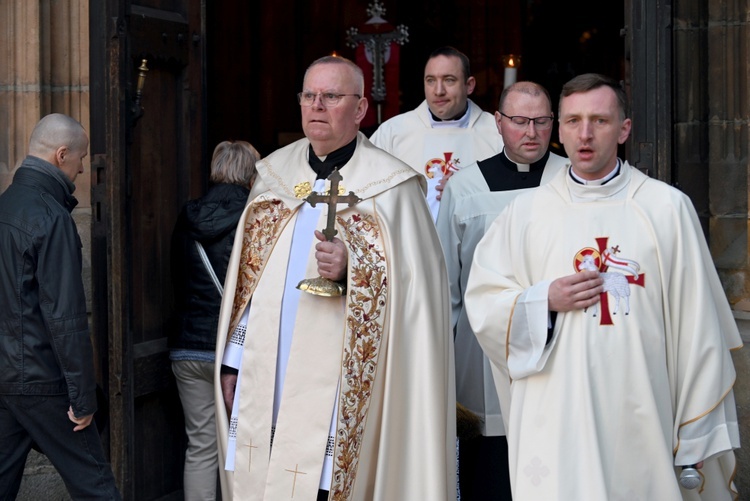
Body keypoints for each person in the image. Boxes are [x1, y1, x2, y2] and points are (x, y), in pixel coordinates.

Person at [465, 73, 742, 500]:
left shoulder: (666, 209)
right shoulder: (526, 214)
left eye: (600, 120)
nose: (585, 134)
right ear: (560, 129)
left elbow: (700, 328)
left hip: (645, 413)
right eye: (573, 121)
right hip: (558, 415)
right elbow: (483, 305)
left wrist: (696, 429)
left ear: (624, 129)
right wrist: (544, 301)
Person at [214, 56, 456, 501]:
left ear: (361, 108)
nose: (317, 106)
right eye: (309, 96)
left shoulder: (393, 188)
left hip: (348, 385)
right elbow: (248, 286)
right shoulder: (273, 177)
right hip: (268, 376)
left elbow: (418, 294)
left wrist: (356, 265)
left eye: (331, 96)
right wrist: (233, 361)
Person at [436, 81, 568, 501]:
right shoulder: (465, 187)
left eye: (541, 121)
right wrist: (443, 359)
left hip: (558, 349)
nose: (531, 132)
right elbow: (447, 286)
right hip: (481, 355)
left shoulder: (571, 179)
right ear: (498, 122)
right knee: (489, 471)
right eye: (519, 121)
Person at [0, 113, 121, 499]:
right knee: (96, 485)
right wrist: (83, 400)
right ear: (61, 154)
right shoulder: (52, 218)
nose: (83, 168)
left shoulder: (4, 207)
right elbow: (65, 318)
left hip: (6, 376)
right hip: (41, 379)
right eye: (80, 159)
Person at [170, 140, 259, 501]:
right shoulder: (256, 216)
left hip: (189, 347)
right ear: (252, 174)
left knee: (202, 444)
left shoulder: (187, 215)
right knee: (248, 445)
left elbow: (178, 279)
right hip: (238, 350)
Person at [369, 46, 502, 220]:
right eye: (431, 80)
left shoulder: (497, 132)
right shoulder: (393, 132)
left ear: (469, 85)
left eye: (449, 80)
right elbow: (366, 191)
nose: (438, 91)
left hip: (478, 244)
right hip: (413, 243)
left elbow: (518, 196)